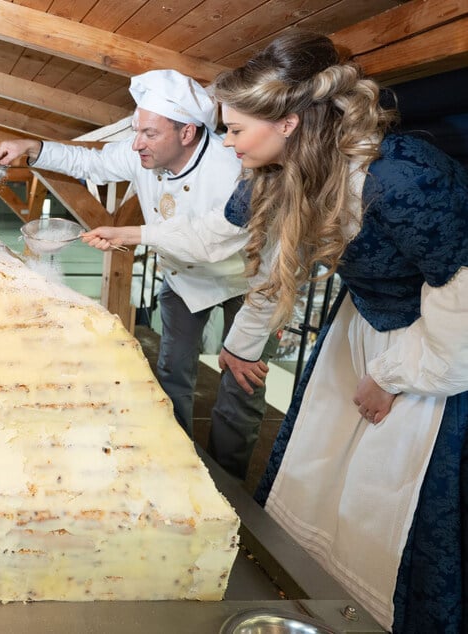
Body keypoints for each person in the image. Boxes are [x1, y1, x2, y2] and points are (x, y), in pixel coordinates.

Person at [213, 31, 468, 633]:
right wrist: (239, 345)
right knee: (321, 474)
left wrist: (388, 376)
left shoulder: (401, 180)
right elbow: (278, 267)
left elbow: (460, 304)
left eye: (234, 130)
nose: (226, 144)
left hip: (437, 349)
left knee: (389, 499)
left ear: (291, 123)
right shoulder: (285, 170)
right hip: (360, 329)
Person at [0, 69, 277, 481]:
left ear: (187, 134)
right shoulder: (141, 152)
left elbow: (211, 239)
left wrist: (130, 233)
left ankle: (227, 482)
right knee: (172, 374)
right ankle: (176, 467)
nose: (137, 143)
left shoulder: (234, 165)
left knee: (241, 385)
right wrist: (33, 147)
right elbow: (90, 161)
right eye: (137, 131)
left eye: (150, 134)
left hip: (249, 282)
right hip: (183, 281)